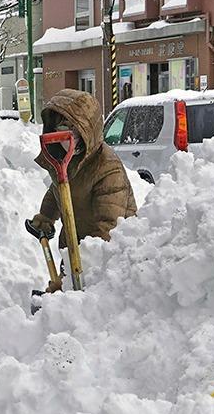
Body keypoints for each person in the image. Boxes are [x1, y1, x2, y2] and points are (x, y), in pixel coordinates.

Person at [28, 89, 137, 292]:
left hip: (107, 257)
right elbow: (57, 190)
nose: (69, 135)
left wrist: (76, 272)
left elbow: (109, 228)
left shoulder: (107, 167)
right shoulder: (64, 158)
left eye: (75, 128)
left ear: (89, 130)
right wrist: (46, 217)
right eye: (63, 127)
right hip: (74, 246)